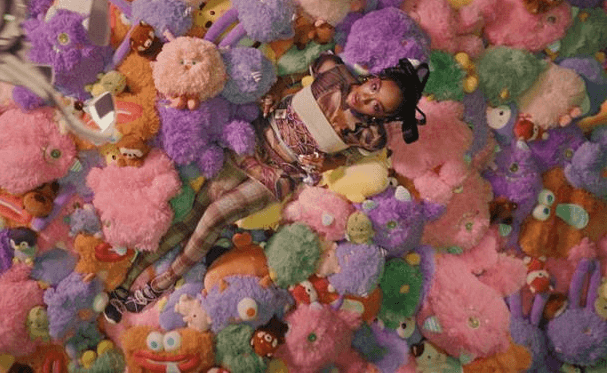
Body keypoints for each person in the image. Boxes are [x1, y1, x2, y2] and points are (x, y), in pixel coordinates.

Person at [103, 52, 430, 323]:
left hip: (279, 174)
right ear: (373, 77)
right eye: (374, 87)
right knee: (193, 215)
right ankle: (126, 283)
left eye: (377, 106)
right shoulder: (334, 71)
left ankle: (160, 285)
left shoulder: (370, 136)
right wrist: (274, 92)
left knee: (215, 215)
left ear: (382, 118)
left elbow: (341, 160)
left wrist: (321, 164)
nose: (367, 97)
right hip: (252, 144)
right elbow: (289, 78)